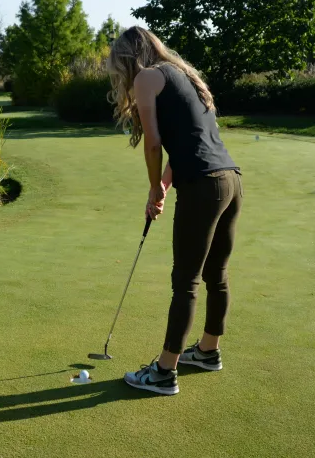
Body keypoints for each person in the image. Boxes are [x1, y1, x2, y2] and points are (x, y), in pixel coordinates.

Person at [106, 26, 242, 395]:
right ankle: (208, 352)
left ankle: (165, 371)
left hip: (203, 186)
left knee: (186, 280)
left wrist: (153, 185)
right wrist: (163, 188)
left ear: (129, 58)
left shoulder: (148, 77)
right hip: (229, 180)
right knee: (217, 274)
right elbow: (188, 142)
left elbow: (155, 145)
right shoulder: (183, 74)